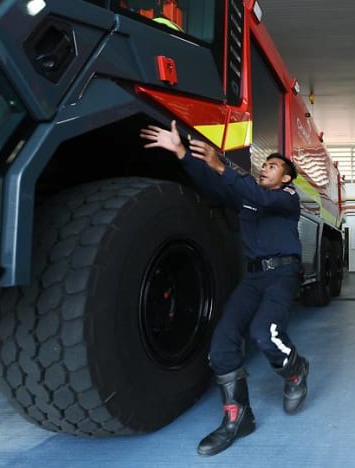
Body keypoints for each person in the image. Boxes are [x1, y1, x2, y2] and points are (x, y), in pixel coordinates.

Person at [140, 121, 309, 457]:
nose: (265, 168)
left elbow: (254, 192)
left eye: (273, 166)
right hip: (253, 278)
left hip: (282, 274)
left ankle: (295, 369)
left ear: (286, 178)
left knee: (265, 332)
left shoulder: (287, 198)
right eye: (265, 165)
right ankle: (238, 418)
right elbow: (217, 188)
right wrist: (183, 154)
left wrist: (223, 166)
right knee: (222, 344)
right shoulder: (249, 199)